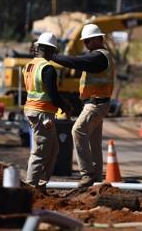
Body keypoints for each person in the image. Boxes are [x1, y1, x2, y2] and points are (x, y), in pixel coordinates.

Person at [50, 24, 115, 188]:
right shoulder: (97, 56)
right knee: (94, 141)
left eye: (89, 40)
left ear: (99, 39)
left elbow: (75, 62)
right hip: (96, 103)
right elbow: (78, 60)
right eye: (84, 41)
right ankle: (98, 179)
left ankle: (87, 174)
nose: (86, 44)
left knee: (77, 131)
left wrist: (53, 56)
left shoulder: (98, 57)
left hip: (96, 104)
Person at [23, 32, 71, 190]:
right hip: (41, 112)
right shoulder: (47, 68)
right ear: (49, 50)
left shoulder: (29, 65)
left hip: (33, 109)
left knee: (53, 149)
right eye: (53, 51)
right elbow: (53, 94)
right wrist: (65, 106)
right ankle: (32, 187)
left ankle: (41, 185)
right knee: (40, 151)